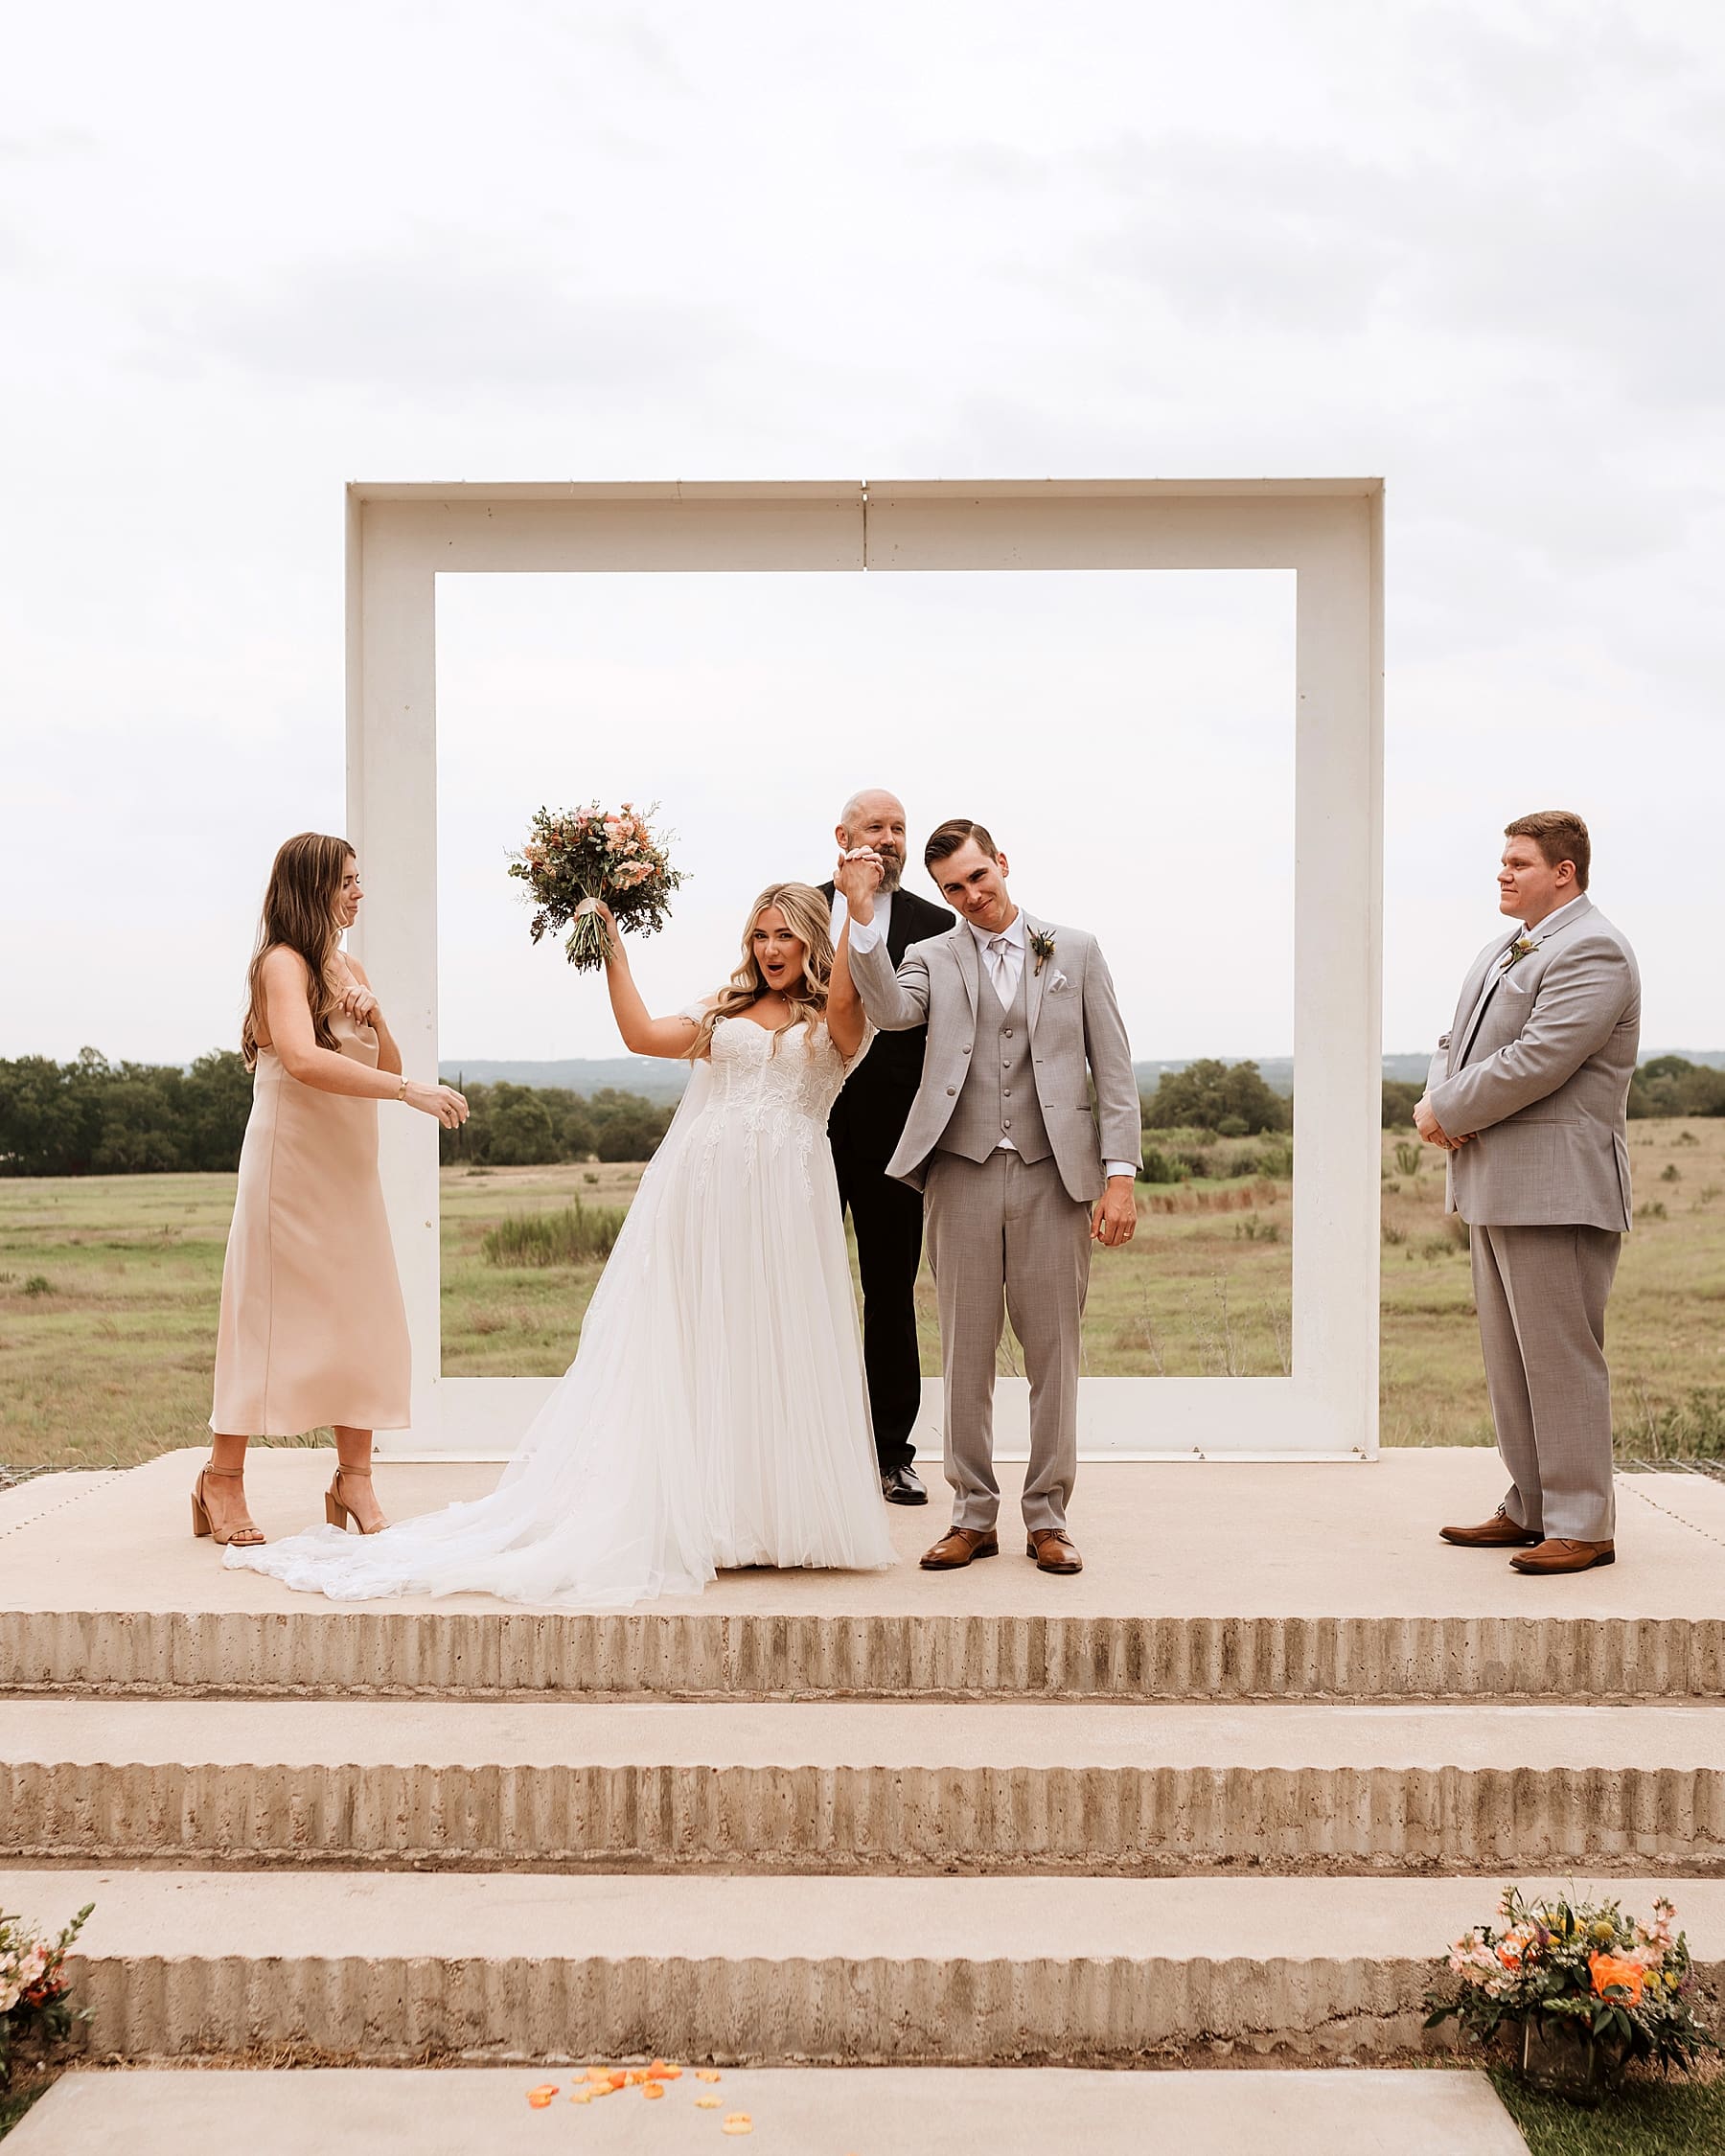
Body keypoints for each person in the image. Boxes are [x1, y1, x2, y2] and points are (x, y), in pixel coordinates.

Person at [226, 883, 896, 1605]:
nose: (769, 950)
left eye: (785, 936)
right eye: (760, 935)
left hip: (789, 1200)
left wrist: (858, 906)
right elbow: (640, 1035)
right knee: (705, 1345)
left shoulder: (838, 1018)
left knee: (780, 1343)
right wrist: (613, 951)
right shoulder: (724, 1011)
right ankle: (711, 1518)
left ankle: (777, 1517)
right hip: (704, 1196)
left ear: (813, 940)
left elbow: (846, 999)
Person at [838, 820, 1141, 1577]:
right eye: (954, 888)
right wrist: (863, 917)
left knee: (1054, 1358)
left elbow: (1114, 1068)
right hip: (960, 1173)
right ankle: (972, 1516)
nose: (971, 896)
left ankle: (1049, 1518)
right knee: (965, 1358)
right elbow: (890, 1012)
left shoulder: (1075, 950)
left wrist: (1120, 1177)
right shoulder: (931, 956)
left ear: (1001, 863)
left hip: (1054, 1175)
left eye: (979, 877)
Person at [201, 833, 469, 1548]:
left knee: (362, 1315)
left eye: (359, 878)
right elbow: (300, 1058)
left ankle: (355, 1479)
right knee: (263, 1316)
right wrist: (409, 1090)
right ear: (313, 886)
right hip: (289, 1167)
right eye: (347, 880)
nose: (359, 892)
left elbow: (385, 1061)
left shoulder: (348, 966)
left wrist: (375, 1016)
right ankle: (221, 1480)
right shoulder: (281, 964)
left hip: (349, 1168)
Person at [1417, 811, 1640, 1577]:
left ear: (1564, 873)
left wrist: (1448, 1112)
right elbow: (1454, 1042)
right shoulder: (1505, 946)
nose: (1503, 873)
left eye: (1518, 863)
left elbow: (1541, 1057)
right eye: (1503, 861)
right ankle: (1533, 1505)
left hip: (1557, 1188)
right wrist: (1438, 1101)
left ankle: (1584, 1523)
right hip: (1495, 1183)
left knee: (1560, 1358)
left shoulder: (1594, 948)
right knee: (1511, 1361)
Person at [819, 789, 954, 1506]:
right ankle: (800, 1451)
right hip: (804, 1125)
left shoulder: (937, 924)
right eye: (876, 826)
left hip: (897, 1137)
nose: (891, 838)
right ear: (843, 837)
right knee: (794, 1281)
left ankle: (892, 1454)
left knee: (891, 1294)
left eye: (899, 828)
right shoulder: (801, 910)